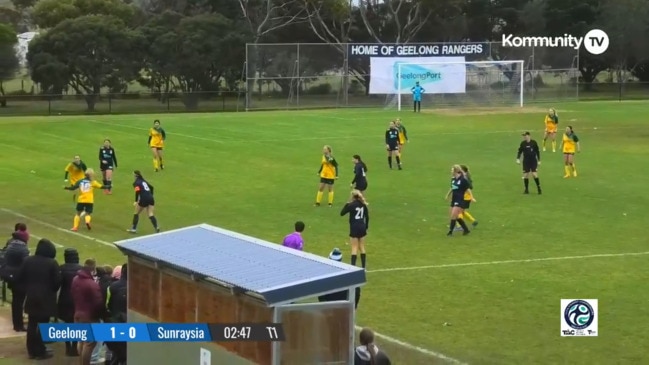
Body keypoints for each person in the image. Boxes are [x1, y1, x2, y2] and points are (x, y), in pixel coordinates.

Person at [15, 238, 60, 360]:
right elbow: (57, 283)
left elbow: (19, 277)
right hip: (46, 298)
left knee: (32, 323)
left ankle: (31, 350)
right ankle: (40, 351)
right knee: (43, 324)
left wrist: (28, 288)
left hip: (31, 296)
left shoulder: (28, 261)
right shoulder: (52, 263)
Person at [71, 259, 103, 365]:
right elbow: (98, 302)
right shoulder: (91, 284)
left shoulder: (75, 279)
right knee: (89, 343)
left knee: (81, 340)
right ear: (93, 269)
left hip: (77, 313)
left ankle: (81, 362)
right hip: (89, 317)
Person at [2, 228, 29, 332]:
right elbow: (26, 263)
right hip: (20, 278)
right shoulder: (22, 249)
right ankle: (19, 325)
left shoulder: (10, 246)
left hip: (11, 277)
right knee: (19, 302)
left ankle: (16, 324)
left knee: (15, 302)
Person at [57, 248, 82, 357]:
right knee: (76, 324)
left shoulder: (61, 268)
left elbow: (57, 284)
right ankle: (74, 347)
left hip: (64, 298)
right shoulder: (81, 269)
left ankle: (67, 347)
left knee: (66, 323)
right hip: (77, 300)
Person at [340, 190, 369, 268]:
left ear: (352, 196)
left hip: (354, 227)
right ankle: (363, 267)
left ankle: (353, 267)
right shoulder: (363, 204)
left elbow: (342, 213)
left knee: (354, 247)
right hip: (362, 227)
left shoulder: (351, 205)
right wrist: (366, 227)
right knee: (362, 247)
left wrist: (347, 203)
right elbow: (367, 217)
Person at [446, 165, 476, 236]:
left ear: (456, 171)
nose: (451, 171)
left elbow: (468, 189)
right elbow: (452, 188)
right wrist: (448, 195)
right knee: (454, 216)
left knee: (454, 215)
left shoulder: (462, 180)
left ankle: (450, 232)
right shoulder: (453, 179)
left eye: (452, 170)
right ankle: (466, 230)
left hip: (460, 200)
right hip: (454, 199)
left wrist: (472, 197)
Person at [455, 165, 478, 230]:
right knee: (461, 211)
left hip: (464, 197)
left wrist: (471, 197)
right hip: (465, 197)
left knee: (458, 211)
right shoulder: (465, 177)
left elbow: (468, 188)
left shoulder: (464, 178)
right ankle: (473, 221)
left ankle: (459, 226)